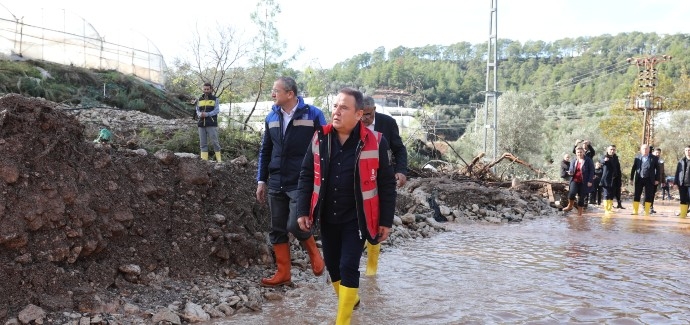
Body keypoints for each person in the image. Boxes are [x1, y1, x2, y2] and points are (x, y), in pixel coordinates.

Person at [296, 88, 396, 324]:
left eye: (344, 108)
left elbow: (386, 185)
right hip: (328, 216)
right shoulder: (320, 138)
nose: (336, 112)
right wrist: (302, 210)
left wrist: (386, 222)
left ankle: (342, 321)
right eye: (335, 106)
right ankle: (351, 299)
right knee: (333, 267)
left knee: (348, 265)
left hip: (358, 217)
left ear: (359, 114)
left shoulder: (376, 142)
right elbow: (306, 175)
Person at [255, 76, 327, 287]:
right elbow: (265, 150)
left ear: (290, 94)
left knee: (295, 224)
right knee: (277, 228)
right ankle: (283, 273)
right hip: (276, 178)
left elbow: (324, 148)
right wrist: (261, 180)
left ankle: (315, 254)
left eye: (275, 90)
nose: (272, 94)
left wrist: (321, 179)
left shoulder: (313, 115)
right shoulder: (271, 117)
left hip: (301, 180)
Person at [361, 95, 408, 276]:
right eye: (362, 115)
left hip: (381, 177)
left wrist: (401, 171)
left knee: (375, 221)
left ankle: (371, 272)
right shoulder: (351, 124)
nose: (365, 119)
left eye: (369, 114)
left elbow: (399, 149)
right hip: (360, 180)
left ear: (374, 110)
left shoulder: (387, 123)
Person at [629, 143, 661, 215]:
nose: (645, 150)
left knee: (648, 195)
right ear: (641, 150)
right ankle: (635, 211)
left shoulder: (654, 158)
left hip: (649, 179)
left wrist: (657, 179)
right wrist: (631, 178)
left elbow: (658, 170)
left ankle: (646, 211)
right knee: (637, 195)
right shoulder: (637, 158)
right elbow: (633, 168)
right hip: (639, 178)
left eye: (646, 148)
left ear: (649, 150)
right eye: (643, 148)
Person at [196, 82, 222, 162]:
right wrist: (200, 114)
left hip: (211, 123)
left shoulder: (215, 99)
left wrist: (207, 114)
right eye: (205, 89)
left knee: (215, 142)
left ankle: (219, 161)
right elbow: (197, 110)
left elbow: (217, 110)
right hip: (201, 124)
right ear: (203, 89)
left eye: (208, 89)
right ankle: (204, 162)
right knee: (203, 144)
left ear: (211, 89)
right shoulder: (199, 99)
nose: (206, 90)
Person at [566, 147, 595, 216]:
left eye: (581, 152)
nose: (579, 154)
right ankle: (570, 206)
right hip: (574, 180)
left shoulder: (588, 160)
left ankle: (579, 214)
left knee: (581, 197)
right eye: (578, 152)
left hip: (584, 181)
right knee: (572, 193)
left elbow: (592, 170)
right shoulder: (574, 160)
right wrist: (570, 172)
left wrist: (590, 181)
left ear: (583, 152)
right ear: (576, 153)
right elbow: (571, 169)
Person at [600, 145, 622, 214]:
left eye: (614, 150)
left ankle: (609, 209)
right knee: (606, 194)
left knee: (611, 194)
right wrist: (604, 160)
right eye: (611, 149)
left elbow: (618, 169)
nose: (612, 151)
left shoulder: (616, 158)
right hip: (606, 179)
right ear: (607, 150)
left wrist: (619, 178)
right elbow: (601, 161)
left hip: (615, 179)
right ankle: (607, 210)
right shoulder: (604, 157)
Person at [674, 146, 690, 219]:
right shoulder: (681, 161)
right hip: (682, 183)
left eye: (689, 150)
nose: (687, 152)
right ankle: (683, 214)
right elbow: (677, 172)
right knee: (683, 199)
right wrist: (675, 183)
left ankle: (687, 211)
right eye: (686, 150)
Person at [650, 147, 665, 213]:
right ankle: (645, 206)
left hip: (657, 180)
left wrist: (663, 181)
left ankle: (651, 207)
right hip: (649, 180)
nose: (657, 154)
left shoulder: (661, 162)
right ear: (653, 152)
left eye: (659, 153)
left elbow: (662, 172)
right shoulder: (650, 159)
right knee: (648, 194)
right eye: (656, 152)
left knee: (653, 194)